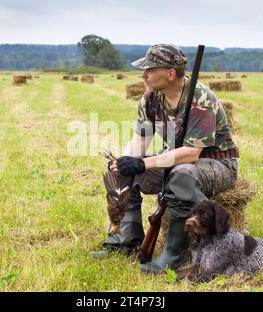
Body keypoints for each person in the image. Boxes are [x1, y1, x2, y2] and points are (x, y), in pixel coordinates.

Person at [90, 44, 239, 274]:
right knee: (121, 168)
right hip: (179, 162)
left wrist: (143, 163)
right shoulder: (151, 98)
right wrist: (125, 161)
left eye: (150, 69)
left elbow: (191, 153)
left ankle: (173, 255)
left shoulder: (200, 98)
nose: (144, 74)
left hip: (218, 163)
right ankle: (127, 238)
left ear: (170, 74)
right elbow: (141, 139)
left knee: (181, 175)